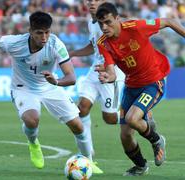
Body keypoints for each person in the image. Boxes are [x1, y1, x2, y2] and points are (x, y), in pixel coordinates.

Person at [0, 11, 102, 173]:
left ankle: (89, 161)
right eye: (39, 33)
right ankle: (33, 143)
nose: (44, 37)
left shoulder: (55, 45)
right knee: (32, 120)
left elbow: (71, 77)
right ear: (30, 31)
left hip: (50, 87)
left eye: (47, 32)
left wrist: (56, 81)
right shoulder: (15, 43)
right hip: (23, 88)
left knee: (78, 126)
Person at [95, 2, 185, 176]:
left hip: (153, 81)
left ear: (117, 18)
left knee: (133, 119)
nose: (104, 27)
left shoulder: (136, 27)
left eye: (108, 22)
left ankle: (157, 140)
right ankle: (141, 166)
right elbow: (111, 71)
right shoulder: (103, 43)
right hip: (131, 85)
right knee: (125, 136)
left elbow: (169, 21)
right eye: (100, 23)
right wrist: (108, 77)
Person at [68, 0, 125, 172]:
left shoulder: (111, 23)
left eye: (95, 0)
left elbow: (122, 47)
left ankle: (134, 113)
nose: (91, 2)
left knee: (110, 119)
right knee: (82, 108)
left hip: (112, 72)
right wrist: (73, 53)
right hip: (95, 70)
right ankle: (87, 154)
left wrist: (111, 65)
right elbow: (94, 47)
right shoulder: (91, 21)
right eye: (88, 0)